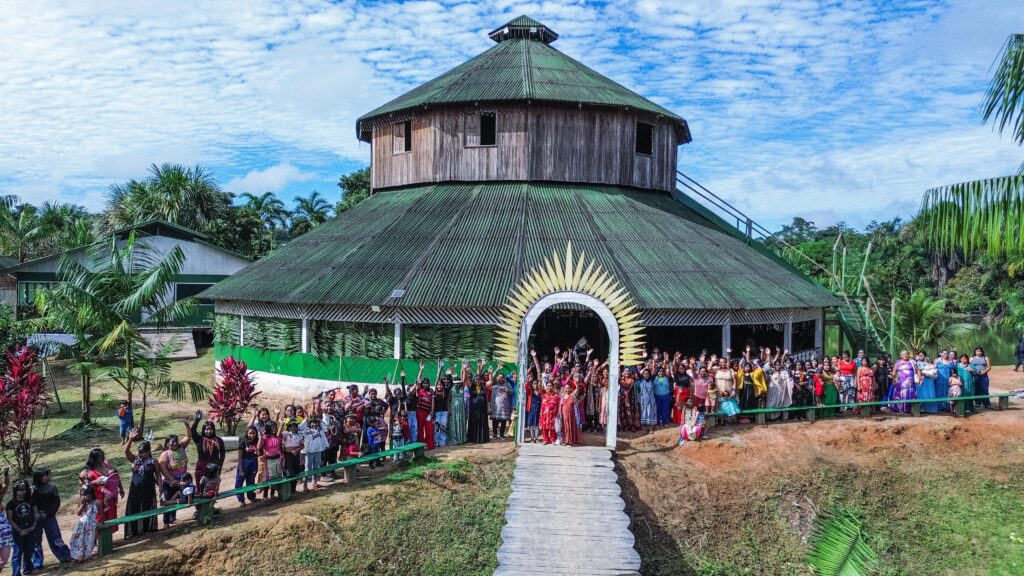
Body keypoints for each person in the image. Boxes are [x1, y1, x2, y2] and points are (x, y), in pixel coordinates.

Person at [30, 467, 71, 567]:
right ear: (39, 477)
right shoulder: (32, 489)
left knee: (55, 537)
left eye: (48, 475)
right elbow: (30, 503)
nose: (48, 477)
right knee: (35, 541)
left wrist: (48, 513)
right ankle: (37, 562)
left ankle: (65, 556)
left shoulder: (52, 488)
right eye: (45, 475)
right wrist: (36, 514)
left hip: (49, 517)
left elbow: (56, 503)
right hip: (35, 519)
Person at [156, 417, 192, 526]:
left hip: (181, 481)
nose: (175, 444)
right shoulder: (165, 454)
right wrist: (172, 480)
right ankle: (166, 522)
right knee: (168, 500)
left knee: (178, 498)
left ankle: (173, 519)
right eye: (172, 443)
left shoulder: (181, 448)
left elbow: (188, 437)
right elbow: (163, 468)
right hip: (169, 483)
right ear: (167, 444)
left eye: (176, 442)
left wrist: (187, 425)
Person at [81, 449, 123, 531]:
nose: (104, 457)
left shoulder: (106, 464)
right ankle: (100, 537)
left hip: (109, 497)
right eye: (101, 456)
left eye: (103, 455)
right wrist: (94, 482)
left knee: (110, 518)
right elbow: (83, 484)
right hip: (98, 499)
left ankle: (109, 536)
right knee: (100, 519)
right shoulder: (87, 471)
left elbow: (114, 476)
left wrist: (120, 488)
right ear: (95, 458)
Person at [5, 479, 36, 575]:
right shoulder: (11, 504)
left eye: (23, 489)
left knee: (29, 550)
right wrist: (20, 530)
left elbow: (36, 513)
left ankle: (27, 570)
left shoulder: (31, 500)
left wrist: (33, 526)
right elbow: (10, 519)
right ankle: (16, 573)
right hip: (17, 532)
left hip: (30, 529)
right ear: (15, 491)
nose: (21, 492)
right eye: (19, 490)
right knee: (17, 553)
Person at [190, 413, 225, 484]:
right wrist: (197, 420)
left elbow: (222, 454)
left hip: (214, 467)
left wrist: (219, 466)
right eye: (206, 429)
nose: (208, 431)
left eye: (210, 429)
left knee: (213, 486)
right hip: (201, 467)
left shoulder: (219, 440)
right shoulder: (199, 439)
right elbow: (192, 431)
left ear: (213, 429)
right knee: (200, 485)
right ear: (203, 430)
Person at [68, 487, 98, 564]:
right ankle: (77, 555)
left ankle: (84, 556)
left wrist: (102, 524)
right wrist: (83, 505)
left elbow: (101, 514)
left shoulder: (96, 503)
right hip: (81, 524)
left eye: (85, 495)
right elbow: (78, 513)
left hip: (90, 525)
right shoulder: (81, 503)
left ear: (91, 495)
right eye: (82, 495)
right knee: (76, 540)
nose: (83, 497)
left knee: (88, 541)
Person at [235, 426, 260, 506]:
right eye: (250, 433)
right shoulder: (243, 441)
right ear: (247, 433)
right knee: (239, 483)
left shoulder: (257, 441)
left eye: (254, 433)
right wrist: (241, 469)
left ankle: (252, 497)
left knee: (251, 482)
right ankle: (241, 500)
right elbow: (239, 457)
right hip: (244, 463)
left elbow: (260, 452)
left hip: (254, 463)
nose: (252, 435)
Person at [302, 417, 329, 488]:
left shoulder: (320, 430)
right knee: (307, 469)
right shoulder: (306, 430)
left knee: (316, 468)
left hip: (318, 451)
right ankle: (305, 484)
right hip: (309, 452)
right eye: (313, 423)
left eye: (316, 423)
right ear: (310, 423)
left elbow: (326, 428)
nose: (314, 424)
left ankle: (314, 483)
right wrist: (305, 420)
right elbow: (300, 428)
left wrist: (321, 421)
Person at [467, 372, 489, 444]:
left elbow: (491, 382)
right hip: (473, 410)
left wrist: (490, 373)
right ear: (474, 380)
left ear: (481, 380)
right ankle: (473, 439)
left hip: (482, 410)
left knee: (482, 424)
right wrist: (465, 370)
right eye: (476, 379)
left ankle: (483, 438)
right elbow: (466, 380)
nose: (477, 380)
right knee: (473, 423)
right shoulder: (471, 386)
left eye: (479, 379)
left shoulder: (484, 386)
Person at [448, 367, 468, 446]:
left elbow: (464, 379)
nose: (457, 384)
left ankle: (461, 438)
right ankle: (455, 439)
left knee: (461, 422)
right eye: (456, 383)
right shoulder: (451, 389)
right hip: (453, 409)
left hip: (461, 409)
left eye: (459, 383)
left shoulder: (462, 387)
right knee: (454, 424)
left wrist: (464, 369)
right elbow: (448, 400)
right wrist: (449, 409)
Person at [490, 373, 513, 439]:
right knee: (495, 420)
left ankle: (501, 434)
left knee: (503, 420)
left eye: (502, 377)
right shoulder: (494, 384)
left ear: (504, 378)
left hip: (504, 407)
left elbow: (512, 393)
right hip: (496, 406)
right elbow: (492, 377)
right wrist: (497, 370)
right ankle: (494, 434)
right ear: (497, 378)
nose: (501, 379)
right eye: (499, 377)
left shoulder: (507, 384)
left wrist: (507, 390)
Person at [560, 380, 582, 446]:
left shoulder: (573, 396)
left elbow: (577, 390)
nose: (567, 389)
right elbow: (560, 407)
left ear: (571, 389)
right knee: (565, 427)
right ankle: (565, 440)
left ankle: (572, 441)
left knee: (571, 427)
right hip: (564, 415)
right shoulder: (562, 397)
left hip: (572, 415)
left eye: (569, 388)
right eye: (566, 388)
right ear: (564, 389)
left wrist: (576, 383)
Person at [636, 368, 657, 433]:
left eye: (647, 373)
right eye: (645, 373)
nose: (646, 375)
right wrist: (645, 367)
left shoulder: (652, 380)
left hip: (651, 400)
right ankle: (645, 428)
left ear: (649, 374)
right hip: (644, 401)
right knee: (644, 413)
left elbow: (656, 372)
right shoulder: (640, 380)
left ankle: (651, 429)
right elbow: (638, 373)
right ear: (643, 374)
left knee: (651, 413)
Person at [433, 376, 451, 447]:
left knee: (443, 427)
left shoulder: (445, 391)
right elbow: (433, 404)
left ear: (443, 385)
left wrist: (449, 374)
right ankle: (436, 442)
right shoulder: (434, 393)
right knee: (437, 428)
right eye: (438, 385)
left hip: (444, 412)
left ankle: (442, 442)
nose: (439, 386)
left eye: (441, 385)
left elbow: (451, 383)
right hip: (437, 412)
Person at [0, 468, 11, 573]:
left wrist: (6, 474)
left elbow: (6, 484)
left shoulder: (0, 494)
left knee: (4, 558)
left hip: (4, 532)